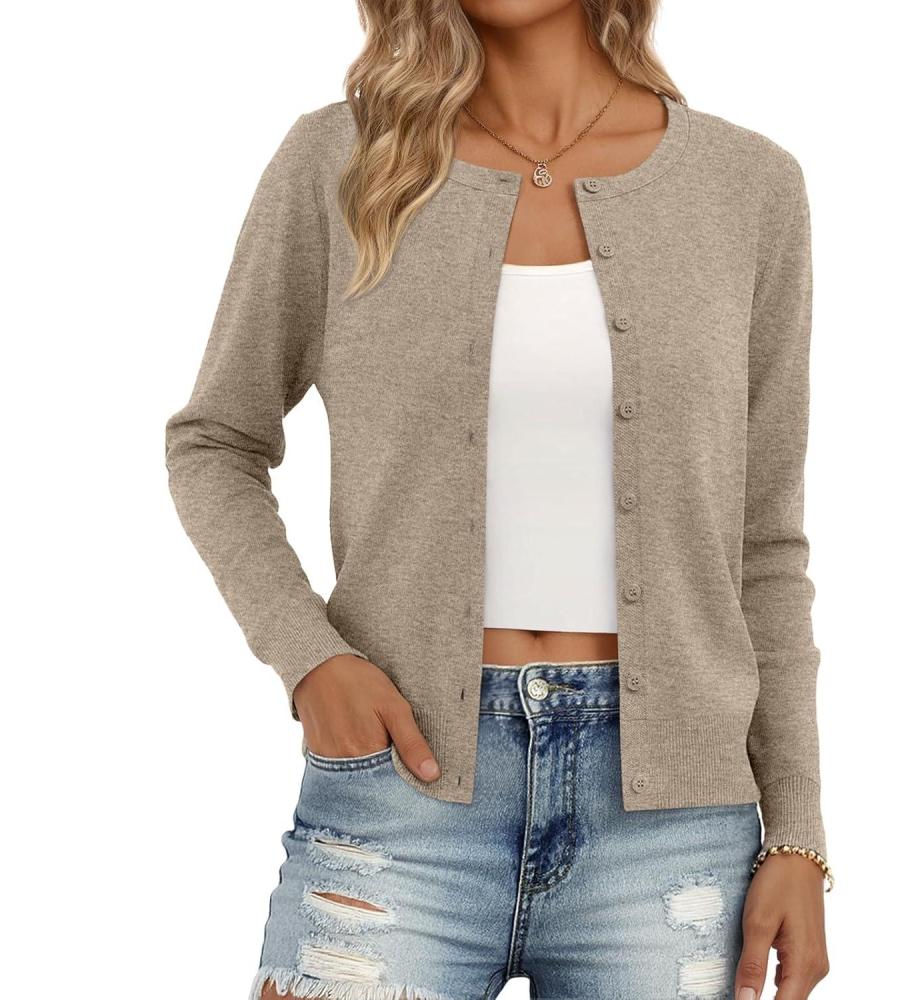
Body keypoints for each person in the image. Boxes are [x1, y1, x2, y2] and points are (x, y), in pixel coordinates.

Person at [163, 2, 832, 998]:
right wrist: (311, 659)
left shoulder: (746, 186)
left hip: (675, 830)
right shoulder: (339, 164)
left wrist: (797, 833)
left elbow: (764, 543)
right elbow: (215, 441)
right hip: (402, 794)